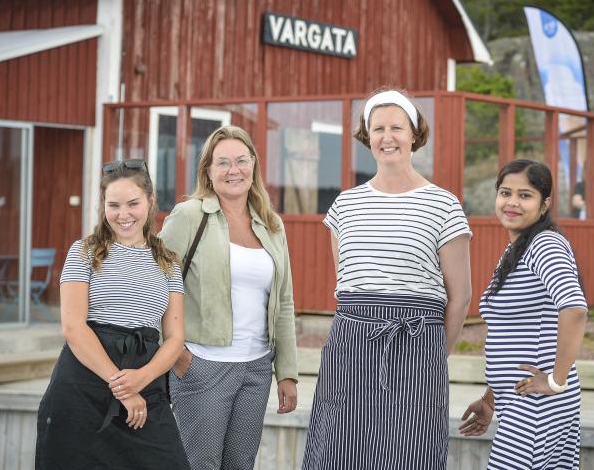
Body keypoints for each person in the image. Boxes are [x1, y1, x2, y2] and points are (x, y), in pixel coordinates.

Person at [302, 88, 473, 469]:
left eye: (397, 127)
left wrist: (432, 356)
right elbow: (347, 285)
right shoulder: (345, 205)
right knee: (340, 449)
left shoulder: (443, 204)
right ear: (367, 136)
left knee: (410, 452)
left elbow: (460, 296)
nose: (387, 136)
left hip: (417, 342)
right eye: (377, 128)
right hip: (350, 344)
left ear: (414, 134)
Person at [159, 125, 298, 470]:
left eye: (241, 160)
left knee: (240, 464)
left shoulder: (271, 224)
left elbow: (283, 302)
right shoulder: (189, 216)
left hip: (256, 368)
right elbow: (155, 284)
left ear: (253, 165)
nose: (233, 170)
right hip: (202, 366)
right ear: (207, 170)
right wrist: (176, 353)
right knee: (200, 464)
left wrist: (287, 372)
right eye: (222, 163)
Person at [35, 159, 190, 469]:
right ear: (102, 206)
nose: (123, 214)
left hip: (147, 385)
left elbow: (174, 338)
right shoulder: (83, 252)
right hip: (83, 388)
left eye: (133, 203)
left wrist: (141, 380)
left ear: (150, 201)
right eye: (114, 205)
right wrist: (123, 388)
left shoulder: (169, 263)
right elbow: (73, 329)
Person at [459, 159, 588, 469]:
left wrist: (556, 381)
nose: (512, 202)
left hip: (535, 406)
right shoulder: (518, 249)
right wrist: (492, 399)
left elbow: (574, 307)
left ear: (544, 205)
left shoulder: (544, 245)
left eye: (525, 195)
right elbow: (513, 333)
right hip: (519, 402)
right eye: (505, 192)